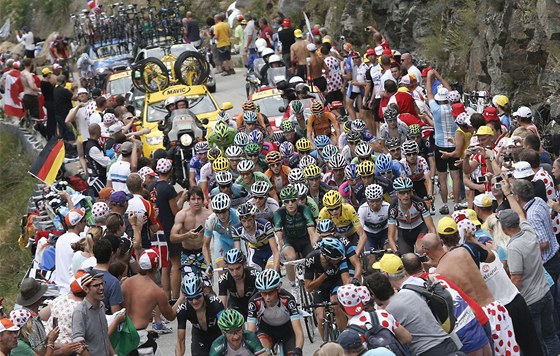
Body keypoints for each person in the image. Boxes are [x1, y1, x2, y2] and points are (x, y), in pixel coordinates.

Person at [501, 178, 560, 355]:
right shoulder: (527, 230)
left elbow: (517, 278)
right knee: (551, 335)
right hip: (545, 293)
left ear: (504, 228)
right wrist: (509, 195)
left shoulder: (513, 247)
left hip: (531, 301)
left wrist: (509, 296)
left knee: (538, 339)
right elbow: (520, 213)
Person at [367, 257, 462, 355]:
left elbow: (405, 339)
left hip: (428, 351)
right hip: (448, 341)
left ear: (386, 275)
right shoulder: (411, 290)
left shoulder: (387, 313)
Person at [122, 249, 180, 355]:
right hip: (140, 337)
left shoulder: (126, 282)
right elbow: (171, 316)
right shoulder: (156, 291)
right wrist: (182, 298)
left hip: (124, 334)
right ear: (156, 268)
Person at [148, 158, 187, 302]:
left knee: (164, 265)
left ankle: (165, 297)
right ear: (170, 171)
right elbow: (176, 212)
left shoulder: (151, 186)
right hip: (169, 230)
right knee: (175, 264)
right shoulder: (168, 188)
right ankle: (175, 298)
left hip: (156, 230)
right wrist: (182, 198)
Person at [426, 69, 462, 214]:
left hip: (440, 144)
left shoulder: (435, 108)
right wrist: (438, 76)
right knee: (455, 176)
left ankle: (445, 204)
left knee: (442, 177)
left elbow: (428, 92)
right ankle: (457, 203)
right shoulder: (454, 107)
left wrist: (429, 77)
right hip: (454, 144)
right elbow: (450, 90)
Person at [247, 269, 304, 356]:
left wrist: (298, 350)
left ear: (278, 289)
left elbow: (298, 331)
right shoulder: (254, 301)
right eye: (263, 293)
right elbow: (250, 332)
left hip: (287, 330)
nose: (267, 297)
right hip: (266, 330)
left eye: (270, 292)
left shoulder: (288, 299)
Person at [304, 238, 352, 340]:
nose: (339, 260)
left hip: (336, 282)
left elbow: (345, 280)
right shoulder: (311, 258)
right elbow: (308, 287)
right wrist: (324, 275)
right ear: (327, 257)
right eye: (337, 259)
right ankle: (325, 343)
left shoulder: (341, 259)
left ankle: (344, 337)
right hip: (321, 284)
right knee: (320, 316)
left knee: (336, 305)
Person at [170, 187, 213, 291]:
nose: (196, 202)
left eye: (199, 199)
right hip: (187, 254)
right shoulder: (182, 215)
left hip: (203, 254)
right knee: (189, 289)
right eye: (193, 199)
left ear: (203, 200)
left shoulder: (209, 215)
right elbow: (172, 237)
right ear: (188, 201)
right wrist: (187, 235)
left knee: (207, 287)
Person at [176, 275, 225, 355]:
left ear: (203, 292)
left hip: (217, 333)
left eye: (197, 297)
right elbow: (180, 341)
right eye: (190, 298)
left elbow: (226, 331)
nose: (194, 301)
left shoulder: (215, 303)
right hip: (199, 335)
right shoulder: (182, 309)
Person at [71, 269, 115, 356]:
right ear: (86, 289)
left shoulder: (101, 306)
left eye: (102, 284)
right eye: (96, 285)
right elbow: (79, 344)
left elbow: (105, 337)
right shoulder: (80, 312)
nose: (101, 288)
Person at [387, 177, 435, 254]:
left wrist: (434, 244)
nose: (406, 195)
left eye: (408, 192)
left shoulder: (419, 203)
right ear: (396, 194)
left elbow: (431, 227)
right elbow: (390, 236)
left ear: (411, 192)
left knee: (420, 250)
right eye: (402, 193)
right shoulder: (393, 208)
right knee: (406, 258)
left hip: (420, 228)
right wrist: (396, 252)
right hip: (404, 233)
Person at [232, 202, 280, 271]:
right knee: (253, 275)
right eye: (244, 221)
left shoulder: (265, 225)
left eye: (249, 220)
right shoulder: (236, 230)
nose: (247, 224)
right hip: (255, 250)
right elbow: (238, 252)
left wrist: (275, 271)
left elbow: (275, 251)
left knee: (269, 271)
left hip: (270, 248)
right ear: (240, 220)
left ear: (254, 217)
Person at [218, 248, 258, 318]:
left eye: (238, 268)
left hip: (253, 303)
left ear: (244, 265)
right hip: (235, 305)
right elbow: (222, 306)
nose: (235, 273)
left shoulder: (254, 275)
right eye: (231, 269)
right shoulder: (224, 279)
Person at [55, 209, 87, 293]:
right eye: (84, 221)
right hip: (74, 290)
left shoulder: (60, 239)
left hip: (61, 290)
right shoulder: (79, 241)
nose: (85, 223)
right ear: (78, 223)